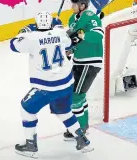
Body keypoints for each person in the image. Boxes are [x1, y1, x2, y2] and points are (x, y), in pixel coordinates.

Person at [10, 11, 91, 157]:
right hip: (66, 84)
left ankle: (30, 145)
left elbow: (13, 45)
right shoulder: (60, 33)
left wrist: (26, 30)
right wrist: (57, 28)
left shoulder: (31, 37)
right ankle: (82, 139)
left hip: (46, 87)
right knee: (64, 112)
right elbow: (70, 42)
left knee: (26, 109)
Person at [62, 0, 104, 141]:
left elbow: (98, 35)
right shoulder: (72, 18)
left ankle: (79, 130)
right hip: (79, 61)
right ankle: (83, 126)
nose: (72, 6)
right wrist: (70, 50)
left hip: (90, 61)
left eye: (74, 4)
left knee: (76, 96)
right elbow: (75, 40)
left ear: (82, 5)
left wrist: (81, 34)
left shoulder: (91, 17)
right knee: (79, 95)